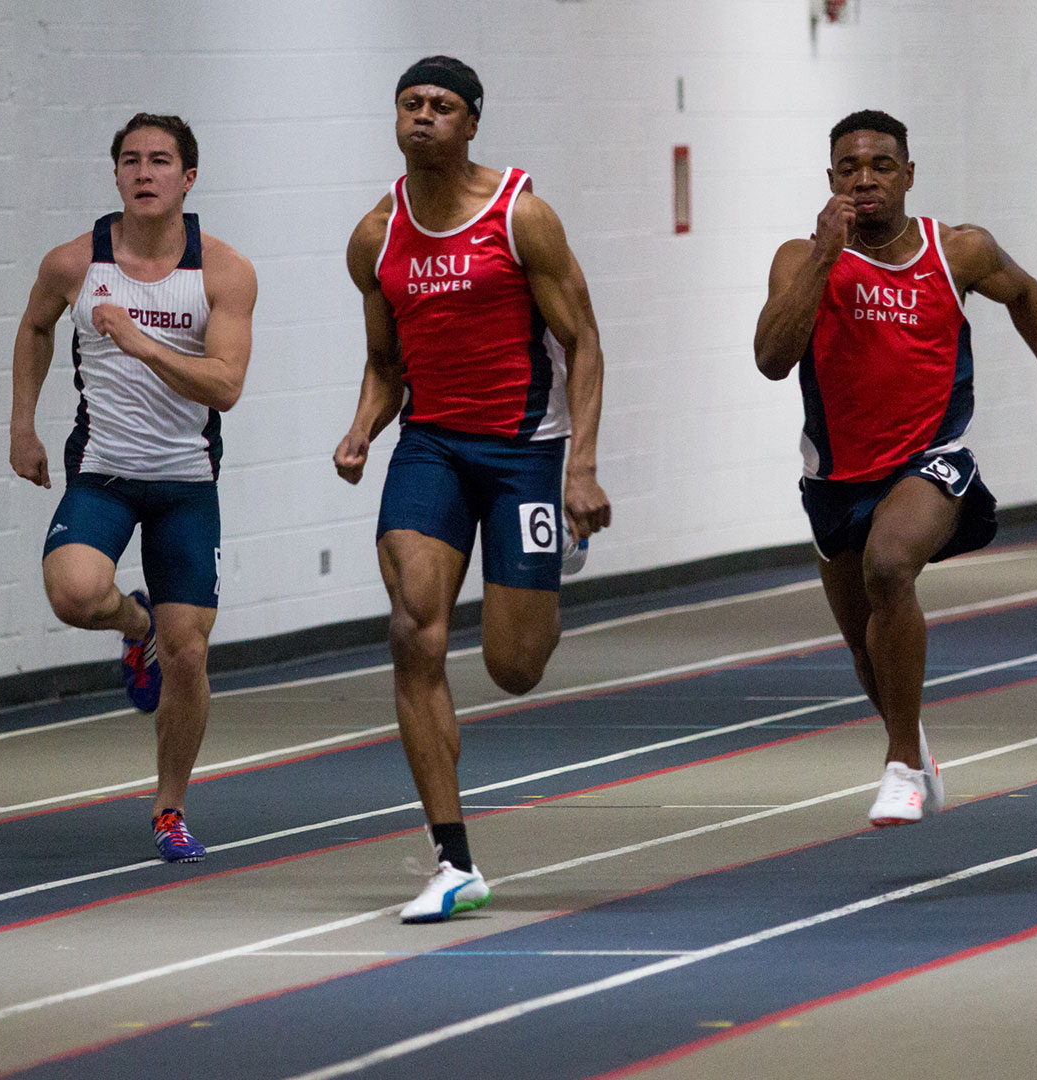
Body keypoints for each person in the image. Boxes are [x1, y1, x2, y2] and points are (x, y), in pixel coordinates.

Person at [754, 110, 1037, 831]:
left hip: (929, 458)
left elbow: (1028, 297)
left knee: (889, 568)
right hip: (835, 478)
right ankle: (916, 754)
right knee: (865, 652)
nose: (866, 179)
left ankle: (901, 762)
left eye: (881, 165)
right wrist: (823, 257)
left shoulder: (959, 250)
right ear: (829, 181)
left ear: (909, 175)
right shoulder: (800, 258)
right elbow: (772, 360)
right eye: (849, 168)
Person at [333, 56, 612, 922]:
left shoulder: (522, 216)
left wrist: (583, 465)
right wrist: (360, 427)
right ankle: (452, 861)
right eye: (409, 104)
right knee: (414, 630)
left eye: (442, 106)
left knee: (513, 666)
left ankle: (557, 549)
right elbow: (387, 363)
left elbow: (586, 341)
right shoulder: (375, 237)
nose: (423, 118)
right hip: (433, 448)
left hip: (527, 450)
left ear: (472, 122)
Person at [10, 113, 257, 862]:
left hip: (184, 481)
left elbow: (226, 387)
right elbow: (35, 328)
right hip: (105, 471)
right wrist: (23, 425)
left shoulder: (223, 271)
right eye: (130, 161)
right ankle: (133, 626)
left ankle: (169, 807)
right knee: (74, 592)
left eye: (160, 161)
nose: (143, 173)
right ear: (115, 175)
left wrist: (141, 341)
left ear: (188, 177)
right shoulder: (73, 265)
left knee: (190, 655)